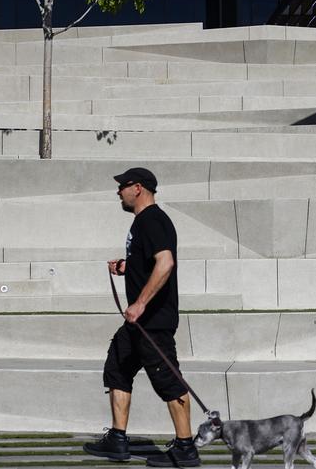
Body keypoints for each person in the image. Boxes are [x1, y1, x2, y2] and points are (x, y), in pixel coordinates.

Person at [84, 167, 199, 468]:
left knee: (168, 381)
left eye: (122, 186)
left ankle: (185, 448)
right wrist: (127, 266)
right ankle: (117, 439)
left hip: (153, 322)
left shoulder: (153, 220)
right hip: (138, 324)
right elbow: (150, 262)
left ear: (138, 188)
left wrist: (140, 304)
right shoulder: (143, 222)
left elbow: (165, 263)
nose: (118, 191)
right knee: (117, 367)